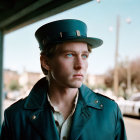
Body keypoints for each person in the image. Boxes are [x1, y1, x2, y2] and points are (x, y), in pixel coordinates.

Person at [0, 19, 127, 140]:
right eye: (69, 55)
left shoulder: (110, 112)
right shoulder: (15, 117)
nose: (80, 65)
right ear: (45, 62)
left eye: (84, 55)